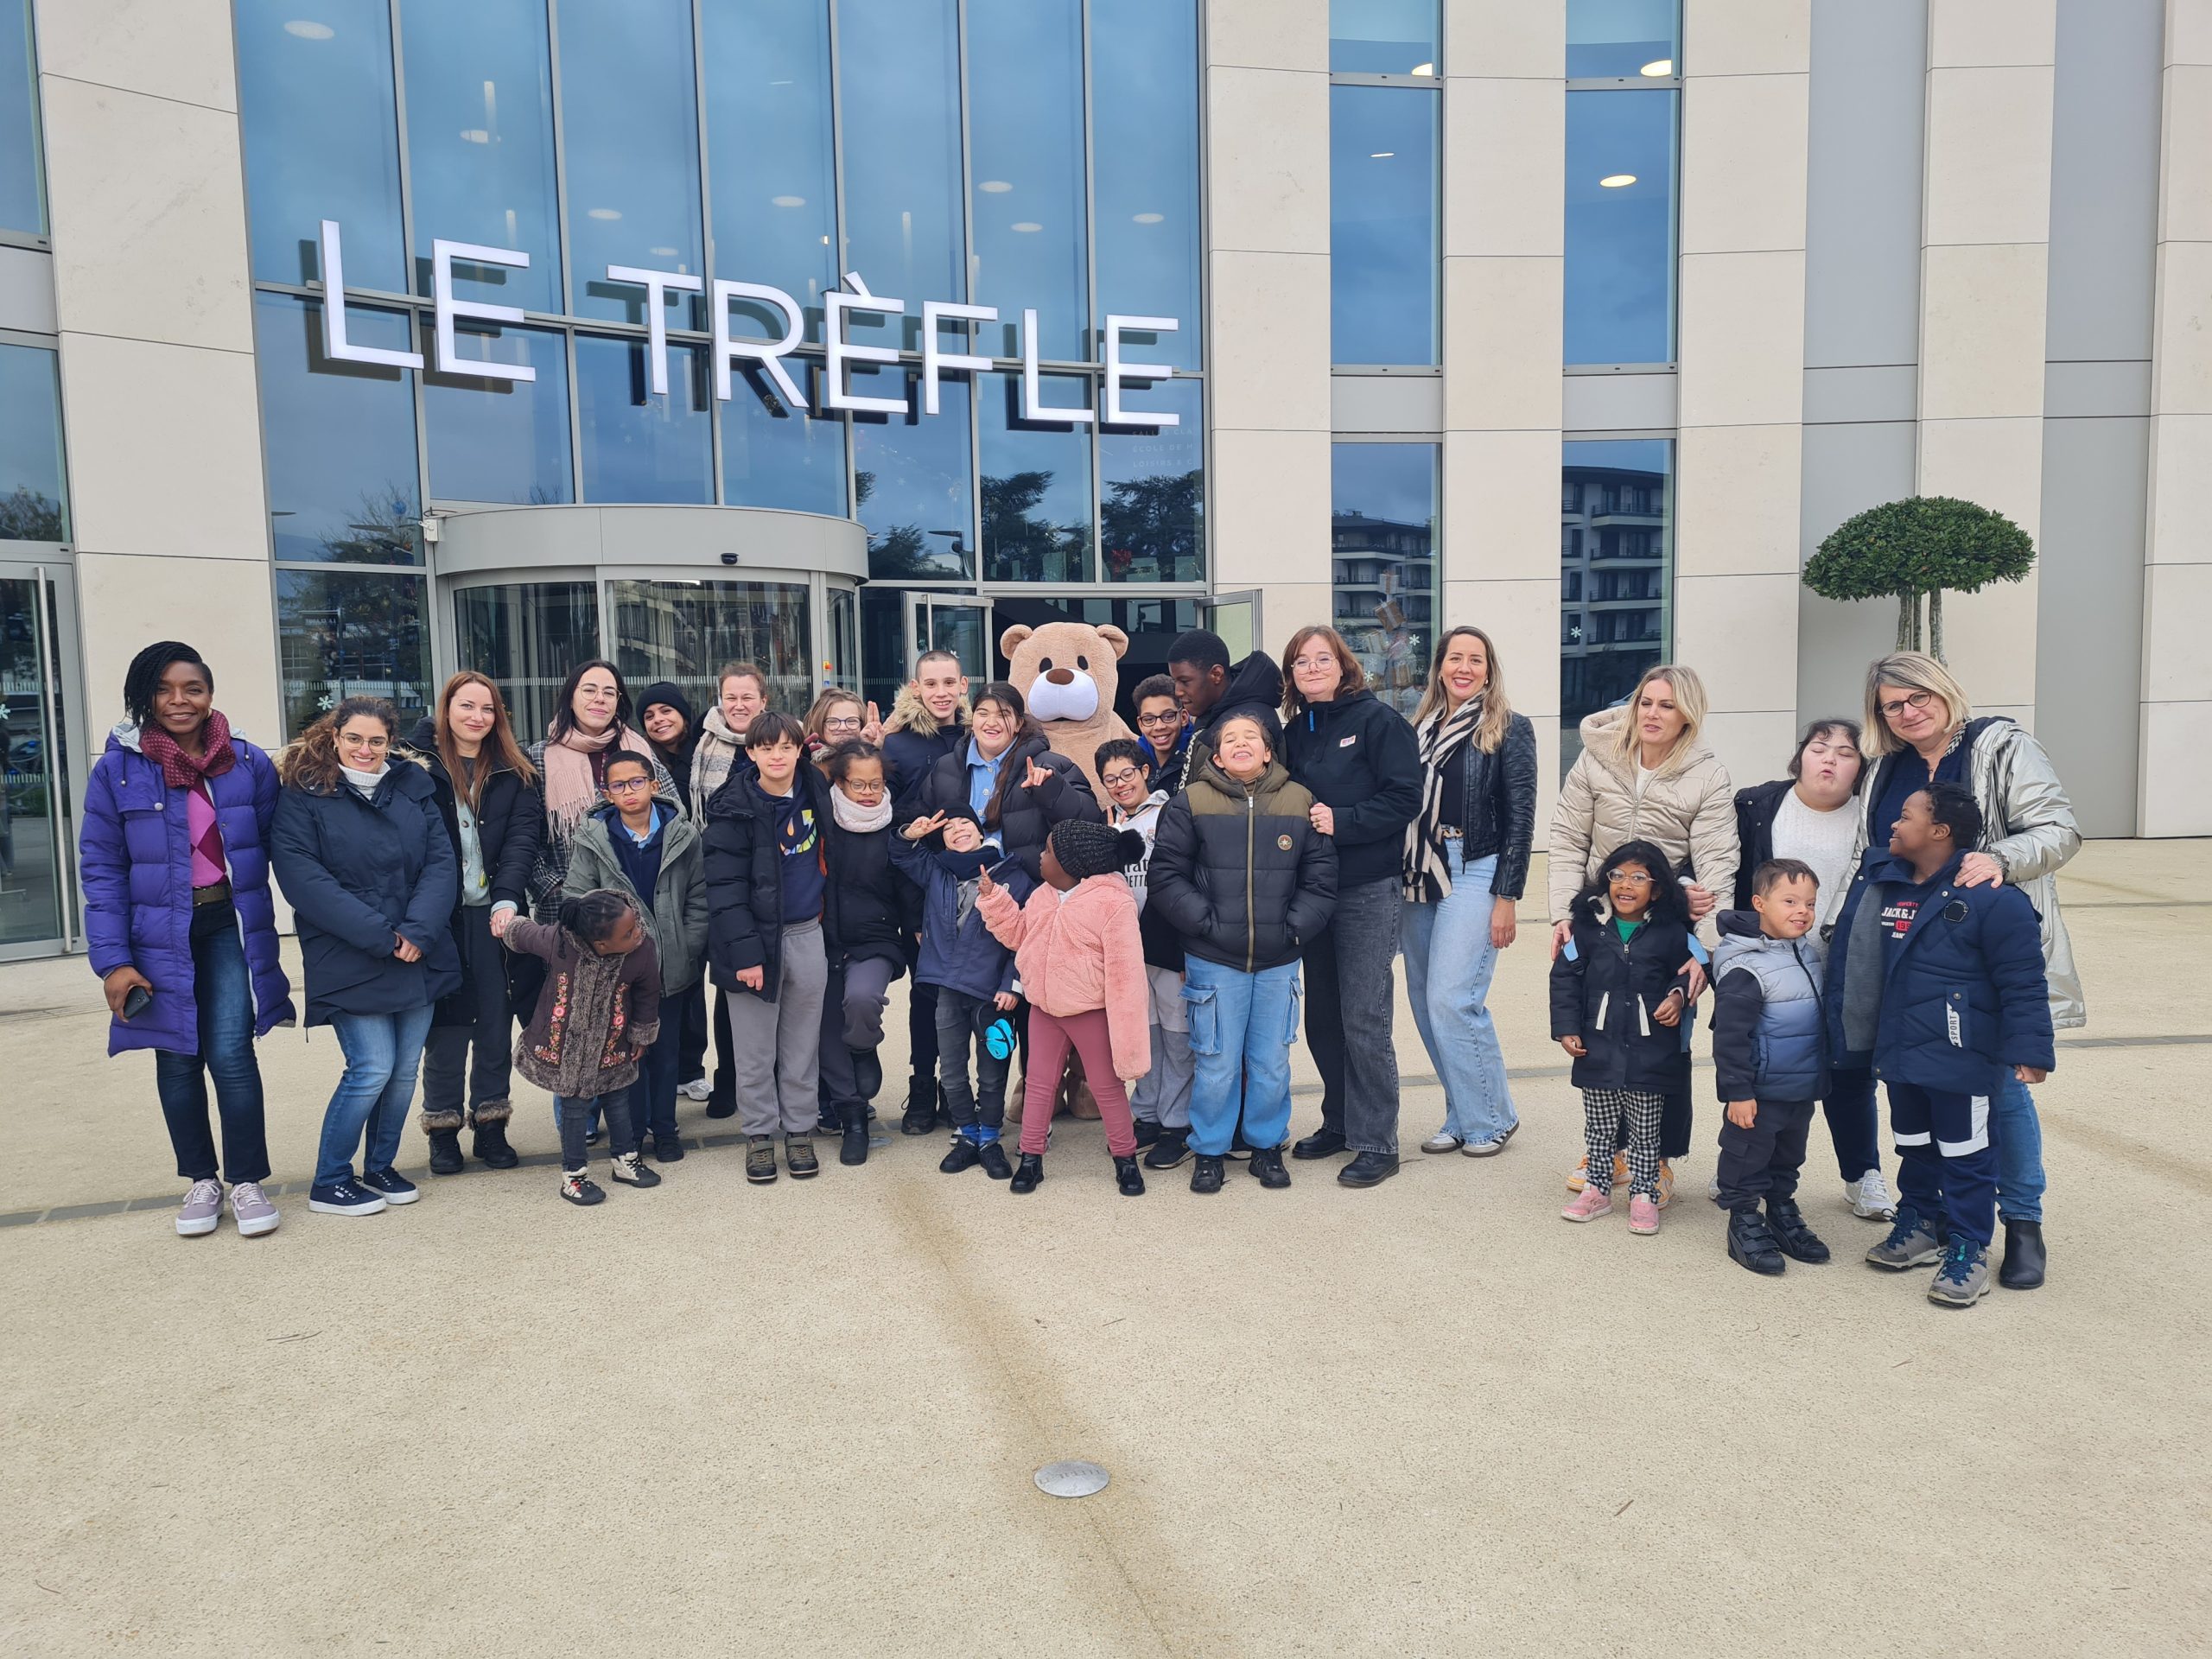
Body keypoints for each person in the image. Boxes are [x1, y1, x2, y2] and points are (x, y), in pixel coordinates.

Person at [1852, 652, 2079, 1290]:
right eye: (1892, 706)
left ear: (1944, 691)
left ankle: (2022, 1224)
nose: (1907, 713)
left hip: (1985, 946)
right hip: (1913, 959)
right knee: (1921, 1098)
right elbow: (1869, 851)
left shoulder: (2000, 746)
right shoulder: (1886, 769)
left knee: (1999, 1090)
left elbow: (2060, 829)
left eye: (1917, 697)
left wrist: (2000, 858)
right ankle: (1931, 1218)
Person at [82, 642, 294, 1239]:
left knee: (231, 1053)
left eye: (192, 688)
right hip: (155, 935)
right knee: (177, 1057)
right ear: (145, 697)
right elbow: (101, 869)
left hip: (226, 924)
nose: (179, 701)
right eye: (164, 689)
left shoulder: (246, 762)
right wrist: (113, 962)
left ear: (210, 694)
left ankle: (247, 1181)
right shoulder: (118, 769)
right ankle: (202, 1180)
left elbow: (286, 844)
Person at [1827, 785, 2055, 1307]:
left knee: (1967, 1154)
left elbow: (2023, 982)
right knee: (1913, 1145)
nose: (1894, 823)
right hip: (1900, 1052)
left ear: (1940, 831)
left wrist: (2031, 1049)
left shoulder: (1994, 900)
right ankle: (1919, 1222)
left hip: (1962, 1057)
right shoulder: (1885, 885)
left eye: (1907, 816)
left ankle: (1968, 1247)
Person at [1548, 663, 1736, 1202]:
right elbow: (1568, 837)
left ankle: (1659, 1159)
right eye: (1646, 702)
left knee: (1666, 1044)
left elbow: (1717, 864)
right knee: (1601, 1031)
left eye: (1667, 706)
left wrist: (1705, 950)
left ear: (1688, 716)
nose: (1653, 714)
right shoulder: (1597, 756)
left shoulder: (1707, 775)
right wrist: (1563, 913)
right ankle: (1606, 1149)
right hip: (1602, 920)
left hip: (1666, 925)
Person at [273, 696, 459, 1217]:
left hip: (417, 949)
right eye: (354, 738)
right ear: (334, 737)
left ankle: (380, 1167)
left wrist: (417, 930)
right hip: (349, 952)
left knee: (403, 1072)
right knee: (371, 1067)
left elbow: (441, 863)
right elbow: (304, 879)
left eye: (376, 741)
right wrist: (382, 936)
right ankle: (331, 1180)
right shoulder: (303, 794)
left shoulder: (413, 786)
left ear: (390, 742)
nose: (364, 749)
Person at [1147, 707, 1338, 1196]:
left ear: (1268, 751)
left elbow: (1320, 879)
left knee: (1272, 1063)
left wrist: (1293, 929)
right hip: (1214, 960)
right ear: (1216, 755)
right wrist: (1206, 926)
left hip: (1278, 960)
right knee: (1216, 1063)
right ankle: (1209, 1151)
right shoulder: (1191, 803)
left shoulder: (1300, 800)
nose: (1240, 744)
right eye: (1229, 738)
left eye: (1250, 736)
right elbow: (1166, 876)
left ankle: (1266, 1146)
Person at [1275, 626, 1422, 1186]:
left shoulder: (1379, 722)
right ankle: (1338, 1121)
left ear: (1343, 665)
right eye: (1300, 661)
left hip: (1366, 888)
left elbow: (1405, 797)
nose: (1311, 668)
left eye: (1322, 658)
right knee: (1323, 1016)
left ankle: (1377, 1140)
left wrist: (1345, 821)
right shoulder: (1296, 731)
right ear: (1291, 675)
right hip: (1312, 891)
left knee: (1365, 1015)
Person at [1732, 719, 1891, 1220]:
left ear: (1861, 768)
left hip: (1842, 968)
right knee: (1761, 1073)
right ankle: (1741, 1171)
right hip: (1770, 970)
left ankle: (1862, 1175)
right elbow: (1729, 871)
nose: (1830, 759)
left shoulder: (1873, 817)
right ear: (1800, 755)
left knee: (1851, 1076)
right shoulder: (1758, 805)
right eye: (1820, 748)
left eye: (1846, 753)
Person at [1398, 625, 1536, 1160]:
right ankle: (1461, 1113)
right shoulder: (1419, 728)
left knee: (1452, 999)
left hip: (1476, 867)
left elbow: (1521, 819)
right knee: (1424, 1002)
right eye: (1455, 658)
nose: (1464, 668)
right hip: (1420, 870)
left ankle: (1493, 1119)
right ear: (1439, 668)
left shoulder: (1510, 729)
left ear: (1488, 670)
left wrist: (1508, 896)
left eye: (1475, 659)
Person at [410, 671, 542, 1177]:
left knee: (493, 1021)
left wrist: (507, 898)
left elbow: (523, 841)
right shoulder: (416, 766)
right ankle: (443, 1129)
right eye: (466, 706)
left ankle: (491, 1123)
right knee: (446, 1026)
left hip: (493, 916)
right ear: (446, 709)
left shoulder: (515, 770)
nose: (477, 717)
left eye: (487, 709)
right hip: (438, 916)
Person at [977, 819, 1154, 1197]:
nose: (1041, 857)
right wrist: (994, 900)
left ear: (1073, 864)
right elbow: (1021, 935)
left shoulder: (1113, 902)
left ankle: (1125, 1159)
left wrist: (1129, 1039)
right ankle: (1031, 1158)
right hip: (1044, 1010)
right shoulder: (1043, 895)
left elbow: (1126, 975)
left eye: (1048, 851)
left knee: (1107, 1087)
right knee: (1039, 1084)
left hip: (1090, 1012)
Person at [703, 711, 835, 1185]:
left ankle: (798, 1129)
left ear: (800, 750)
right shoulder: (732, 808)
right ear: (751, 753)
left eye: (786, 746)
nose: (777, 756)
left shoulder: (815, 789)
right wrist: (747, 956)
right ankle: (759, 1134)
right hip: (753, 944)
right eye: (766, 748)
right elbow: (724, 889)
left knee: (801, 1046)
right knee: (755, 1051)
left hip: (807, 933)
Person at [563, 751, 707, 1164]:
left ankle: (665, 1129)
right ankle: (633, 1133)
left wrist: (686, 945)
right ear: (607, 793)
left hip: (671, 967)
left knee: (665, 1055)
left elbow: (698, 898)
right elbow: (575, 900)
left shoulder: (683, 835)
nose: (629, 791)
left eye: (637, 782)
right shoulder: (594, 839)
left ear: (653, 784)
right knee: (627, 1057)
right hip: (619, 971)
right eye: (619, 785)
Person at [1552, 840, 1696, 1236]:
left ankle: (1644, 1194)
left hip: (1652, 1050)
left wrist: (1677, 995)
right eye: (1617, 876)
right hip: (1597, 1046)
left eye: (1638, 878)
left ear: (1658, 889)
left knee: (1646, 1132)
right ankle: (1597, 1189)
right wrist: (1567, 1028)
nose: (1625, 885)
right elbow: (1564, 978)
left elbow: (1690, 969)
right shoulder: (1587, 928)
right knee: (1599, 1129)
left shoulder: (1672, 932)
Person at [1711, 860, 1834, 1275]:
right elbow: (1730, 1037)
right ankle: (1744, 1220)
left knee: (1788, 1154)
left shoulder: (1805, 952)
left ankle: (1781, 1209)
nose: (1803, 911)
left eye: (1810, 903)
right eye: (1790, 901)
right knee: (1746, 1155)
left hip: (1799, 1085)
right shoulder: (1746, 966)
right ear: (1759, 903)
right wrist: (1738, 1092)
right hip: (1758, 1090)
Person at [891, 805, 1028, 1178]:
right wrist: (911, 834)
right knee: (951, 1069)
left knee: (992, 1071)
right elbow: (900, 854)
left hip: (992, 993)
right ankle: (967, 1134)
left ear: (982, 831)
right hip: (948, 989)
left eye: (965, 822)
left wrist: (1012, 985)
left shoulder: (1012, 875)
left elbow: (1025, 937)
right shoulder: (937, 870)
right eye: (949, 828)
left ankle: (990, 1137)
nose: (957, 830)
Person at [506, 889, 664, 1206]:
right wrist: (508, 925)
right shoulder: (561, 941)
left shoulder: (642, 950)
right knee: (575, 1109)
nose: (638, 933)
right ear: (601, 944)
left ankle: (625, 1159)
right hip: (566, 1050)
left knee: (618, 1101)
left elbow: (648, 992)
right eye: (628, 933)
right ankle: (574, 1175)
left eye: (635, 926)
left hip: (613, 1044)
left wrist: (641, 1034)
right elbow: (527, 935)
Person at [880, 648, 969, 1135]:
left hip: (971, 892)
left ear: (963, 685)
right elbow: (891, 833)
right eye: (931, 684)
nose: (941, 692)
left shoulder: (977, 738)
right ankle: (921, 1087)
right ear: (916, 688)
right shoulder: (896, 746)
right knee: (927, 997)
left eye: (949, 683)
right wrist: (914, 916)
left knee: (967, 998)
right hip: (920, 892)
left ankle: (957, 1090)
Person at [818, 741, 917, 1164]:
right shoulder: (821, 818)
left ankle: (863, 1047)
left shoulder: (897, 826)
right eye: (858, 784)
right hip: (822, 939)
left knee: (861, 1000)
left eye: (875, 784)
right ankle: (853, 1119)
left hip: (875, 939)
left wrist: (916, 925)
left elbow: (907, 886)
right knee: (826, 1031)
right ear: (839, 783)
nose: (868, 793)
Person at [1096, 737, 1192, 1168]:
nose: (1120, 784)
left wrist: (1188, 947)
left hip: (1167, 945)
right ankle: (1149, 1113)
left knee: (1177, 1035)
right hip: (1127, 950)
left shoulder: (1169, 813)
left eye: (1127, 774)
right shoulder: (1109, 823)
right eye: (1110, 779)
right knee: (1144, 1035)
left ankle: (1178, 1124)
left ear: (1145, 772)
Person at [639, 680, 711, 1101]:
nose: (659, 720)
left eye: (666, 711)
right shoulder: (642, 760)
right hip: (661, 880)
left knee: (693, 982)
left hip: (700, 879)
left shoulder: (704, 754)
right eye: (649, 715)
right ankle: (660, 1069)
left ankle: (691, 1067)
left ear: (684, 714)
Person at [1163, 628, 1283, 785]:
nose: (1177, 691)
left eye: (1185, 681)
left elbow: (1256, 796)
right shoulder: (1213, 711)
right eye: (1175, 681)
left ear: (1216, 674)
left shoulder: (1251, 721)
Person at [688, 661, 766, 822]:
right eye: (731, 698)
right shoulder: (700, 741)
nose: (739, 706)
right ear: (722, 701)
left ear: (763, 701)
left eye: (747, 698)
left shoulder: (783, 740)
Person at [1131, 673, 1192, 796]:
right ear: (1140, 724)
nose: (1159, 726)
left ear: (1184, 717)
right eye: (1149, 719)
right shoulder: (1133, 762)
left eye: (1168, 716)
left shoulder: (1199, 756)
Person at [803, 688, 881, 763]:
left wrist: (870, 751)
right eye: (833, 721)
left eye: (852, 721)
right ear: (819, 725)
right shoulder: (805, 763)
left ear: (863, 724)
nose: (843, 728)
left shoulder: (878, 757)